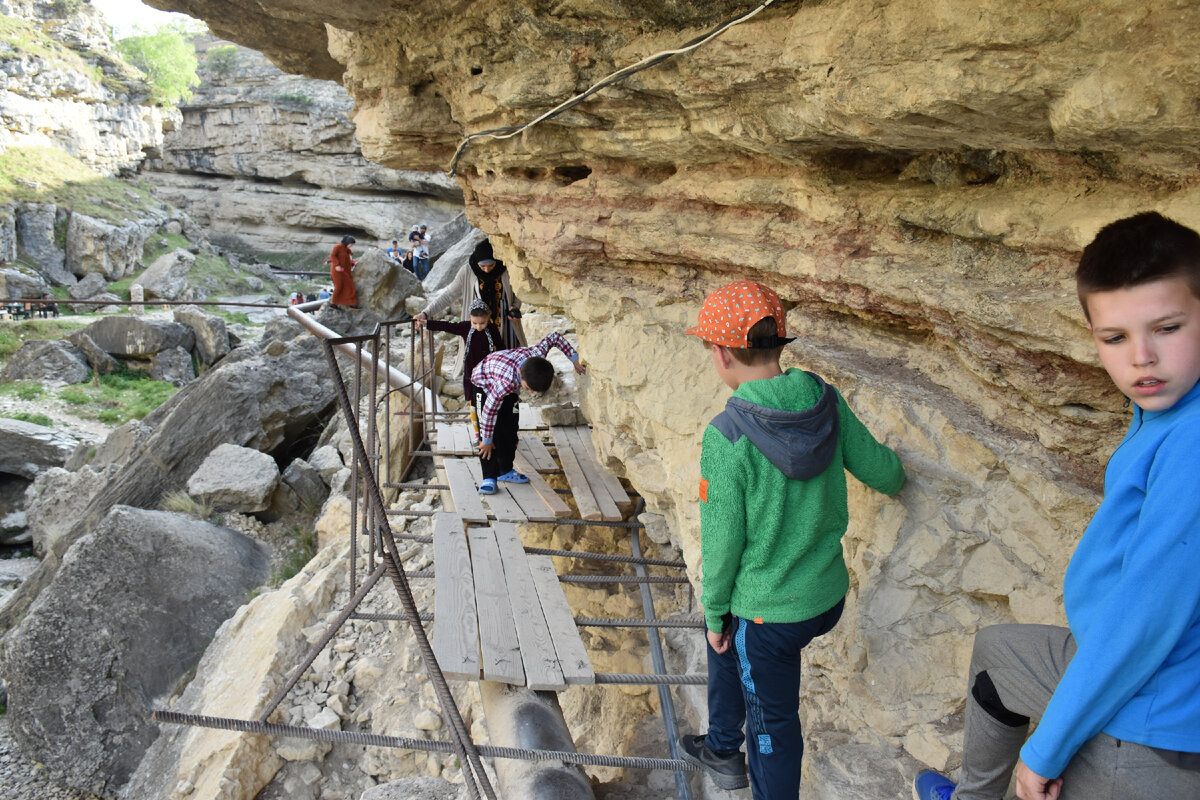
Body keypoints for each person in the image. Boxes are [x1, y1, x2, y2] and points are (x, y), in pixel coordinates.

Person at [913, 211, 1200, 800]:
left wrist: (1044, 753)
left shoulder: (1193, 446)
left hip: (1156, 718)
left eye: (1167, 328)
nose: (1141, 357)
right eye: (1115, 338)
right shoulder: (1167, 412)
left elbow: (1142, 624)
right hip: (1131, 661)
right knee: (998, 653)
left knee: (1045, 780)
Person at [679, 280, 905, 798]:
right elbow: (885, 472)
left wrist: (713, 614)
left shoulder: (727, 435)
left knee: (772, 727)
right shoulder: (824, 400)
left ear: (721, 354)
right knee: (728, 633)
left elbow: (722, 545)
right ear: (780, 345)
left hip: (771, 619)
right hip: (825, 596)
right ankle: (719, 745)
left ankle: (737, 760)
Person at [470, 331, 585, 495]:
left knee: (510, 428)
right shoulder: (505, 382)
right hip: (484, 382)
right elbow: (489, 412)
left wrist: (574, 359)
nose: (531, 393)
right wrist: (487, 440)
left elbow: (554, 337)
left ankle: (505, 470)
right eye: (529, 389)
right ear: (522, 379)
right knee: (488, 434)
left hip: (509, 383)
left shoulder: (537, 356)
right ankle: (489, 477)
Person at [415, 237, 526, 373]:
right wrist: (426, 313)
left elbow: (520, 291)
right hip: (478, 327)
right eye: (482, 266)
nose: (486, 270)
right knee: (479, 366)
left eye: (491, 265)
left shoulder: (506, 267)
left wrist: (515, 306)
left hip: (506, 326)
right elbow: (449, 295)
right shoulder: (467, 271)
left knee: (506, 363)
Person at [424, 299, 505, 404]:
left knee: (487, 396)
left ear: (488, 318)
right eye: (474, 323)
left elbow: (501, 346)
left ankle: (486, 416)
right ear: (470, 318)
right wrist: (426, 323)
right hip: (471, 368)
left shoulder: (492, 329)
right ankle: (474, 418)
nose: (479, 327)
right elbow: (447, 326)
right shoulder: (465, 327)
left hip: (488, 368)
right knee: (473, 397)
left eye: (482, 323)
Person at [327, 235, 358, 308]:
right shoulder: (337, 247)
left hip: (344, 271)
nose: (351, 246)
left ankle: (350, 303)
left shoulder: (346, 250)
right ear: (347, 242)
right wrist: (337, 265)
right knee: (339, 286)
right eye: (351, 244)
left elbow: (347, 260)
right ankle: (334, 303)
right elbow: (333, 256)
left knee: (349, 286)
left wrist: (353, 263)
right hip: (337, 271)